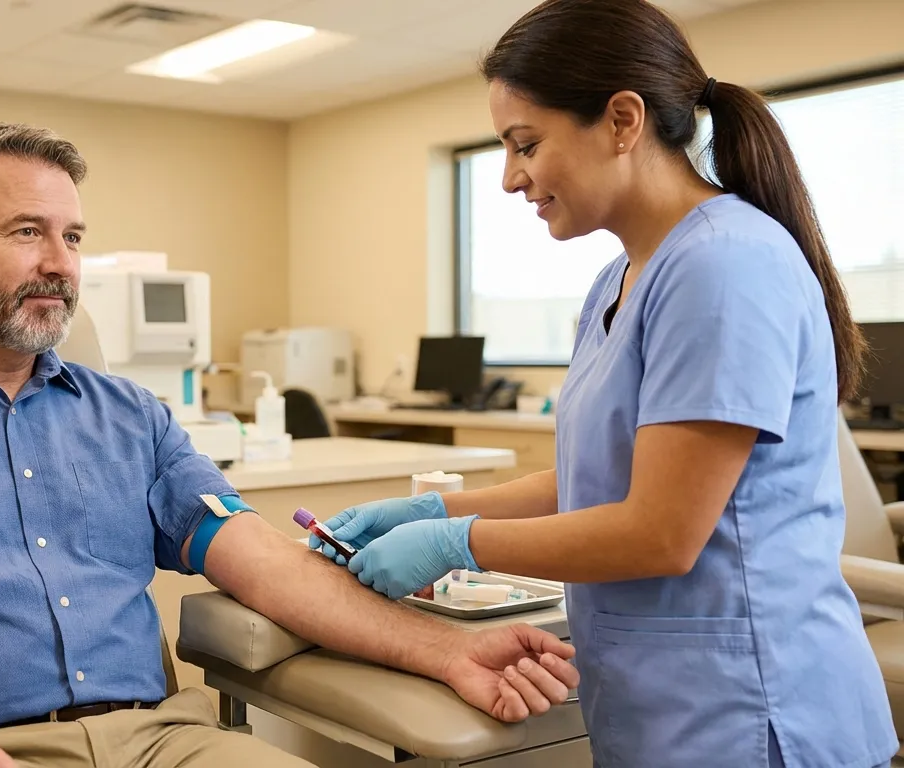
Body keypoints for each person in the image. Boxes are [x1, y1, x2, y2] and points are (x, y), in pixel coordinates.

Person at [0, 122, 579, 768]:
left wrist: (450, 650)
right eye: (26, 232)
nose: (62, 263)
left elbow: (263, 564)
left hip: (164, 740)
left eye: (73, 236)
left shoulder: (131, 417)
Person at [309, 1, 898, 766]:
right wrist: (426, 509)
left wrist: (459, 543)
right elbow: (596, 477)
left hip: (752, 705)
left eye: (526, 144)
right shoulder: (619, 279)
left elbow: (663, 530)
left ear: (624, 120)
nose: (511, 178)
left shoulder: (724, 265)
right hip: (660, 699)